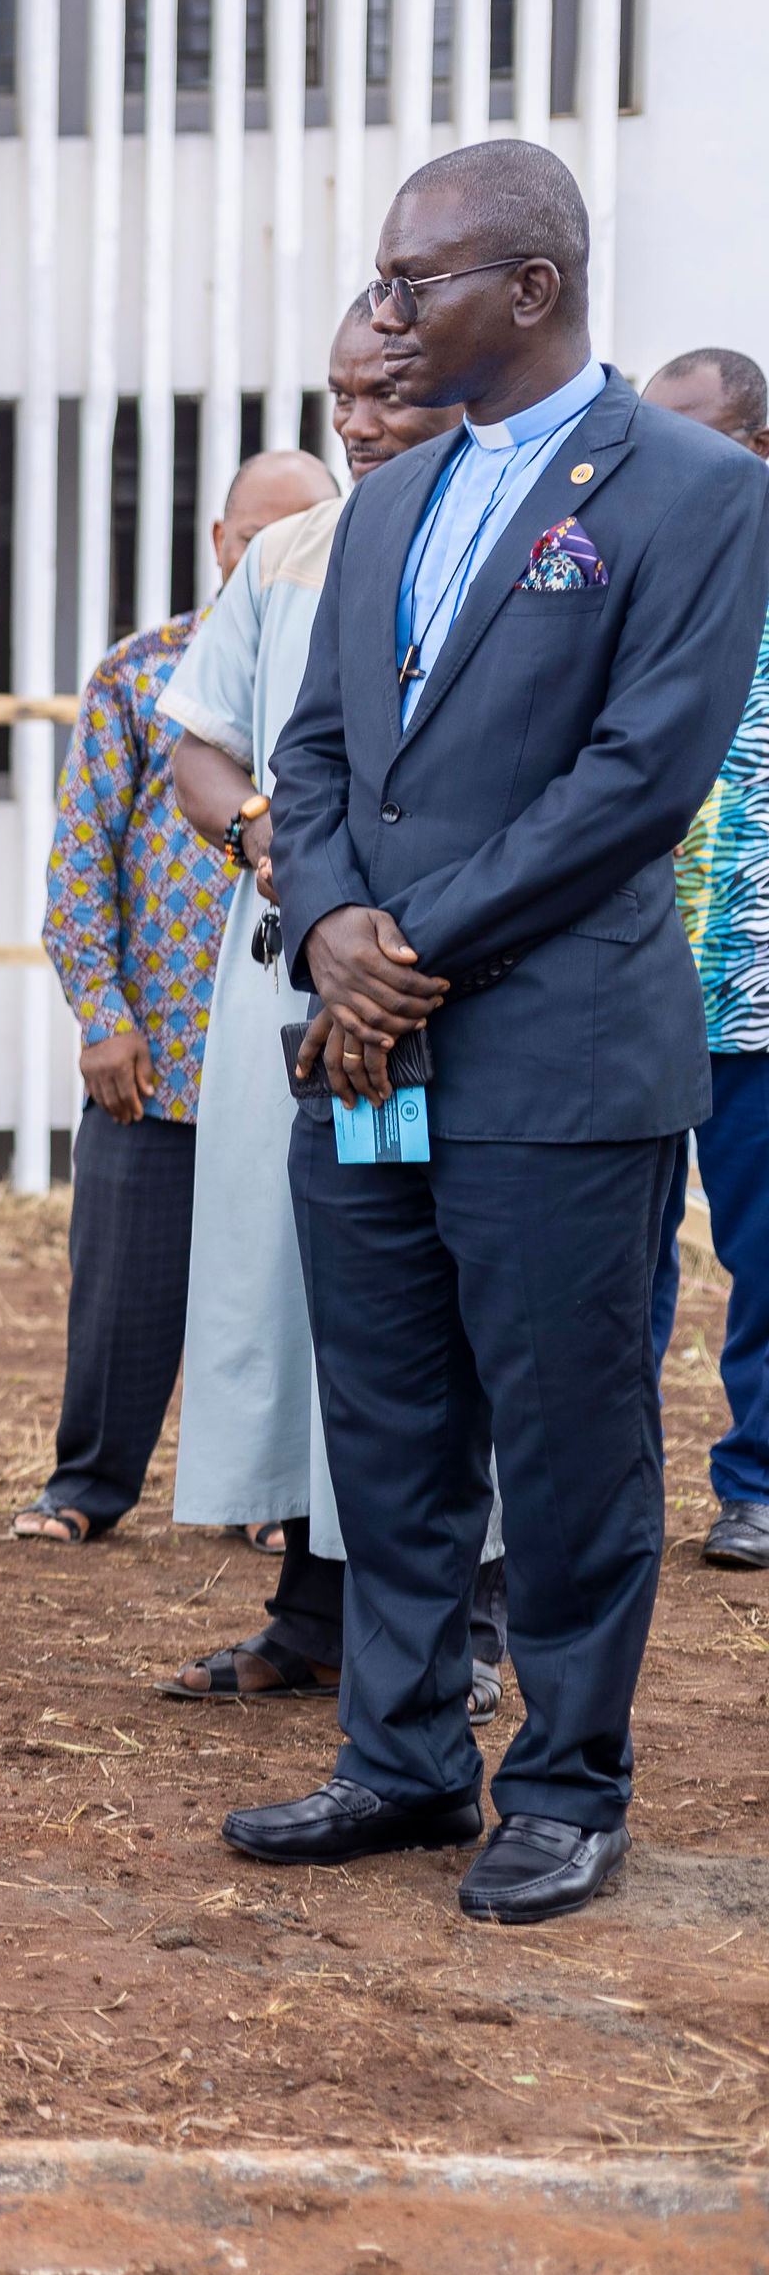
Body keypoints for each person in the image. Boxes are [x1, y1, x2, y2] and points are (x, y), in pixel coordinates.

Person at [230, 142, 769, 1925]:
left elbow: (641, 780)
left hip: (556, 1065)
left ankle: (567, 1782)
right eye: (381, 284)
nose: (381, 320)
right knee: (386, 1430)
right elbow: (309, 757)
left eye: (414, 283)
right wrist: (327, 930)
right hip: (367, 1060)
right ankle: (402, 1761)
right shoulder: (382, 504)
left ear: (529, 291)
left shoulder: (690, 490)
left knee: (566, 1440)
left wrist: (408, 945)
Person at [153, 304, 483, 1710]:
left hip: (445, 983)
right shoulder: (285, 559)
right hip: (286, 976)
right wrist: (265, 844)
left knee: (435, 1302)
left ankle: (453, 1627)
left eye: (389, 394)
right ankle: (310, 1608)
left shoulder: (502, 548)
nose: (356, 423)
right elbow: (200, 749)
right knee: (287, 1285)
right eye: (340, 396)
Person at [13, 448, 337, 1549]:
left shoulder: (342, 670)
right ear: (220, 545)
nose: (274, 557)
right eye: (255, 538)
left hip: (295, 1054)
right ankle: (86, 1487)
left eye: (304, 534)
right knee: (122, 1293)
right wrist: (102, 1016)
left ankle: (276, 1504)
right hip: (152, 1062)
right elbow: (79, 864)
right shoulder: (140, 675)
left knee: (291, 1295)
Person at [643, 349, 769, 1568]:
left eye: (703, 439)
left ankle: (760, 1484)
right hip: (623, 984)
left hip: (759, 992)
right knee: (611, 1267)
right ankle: (599, 1493)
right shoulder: (633, 583)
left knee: (767, 1256)